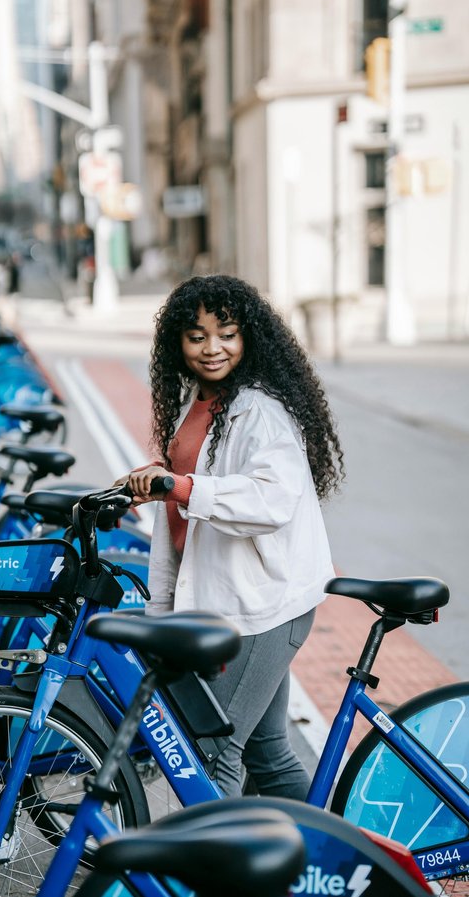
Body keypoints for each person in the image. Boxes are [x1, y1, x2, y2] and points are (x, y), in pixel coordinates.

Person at [122, 274, 344, 799]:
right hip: (232, 598)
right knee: (268, 756)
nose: (212, 347)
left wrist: (178, 485)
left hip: (263, 604)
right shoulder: (198, 404)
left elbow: (269, 498)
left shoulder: (260, 410)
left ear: (249, 338)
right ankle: (327, 865)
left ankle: (214, 874)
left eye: (226, 333)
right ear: (177, 343)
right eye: (196, 336)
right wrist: (156, 479)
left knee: (214, 755)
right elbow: (202, 472)